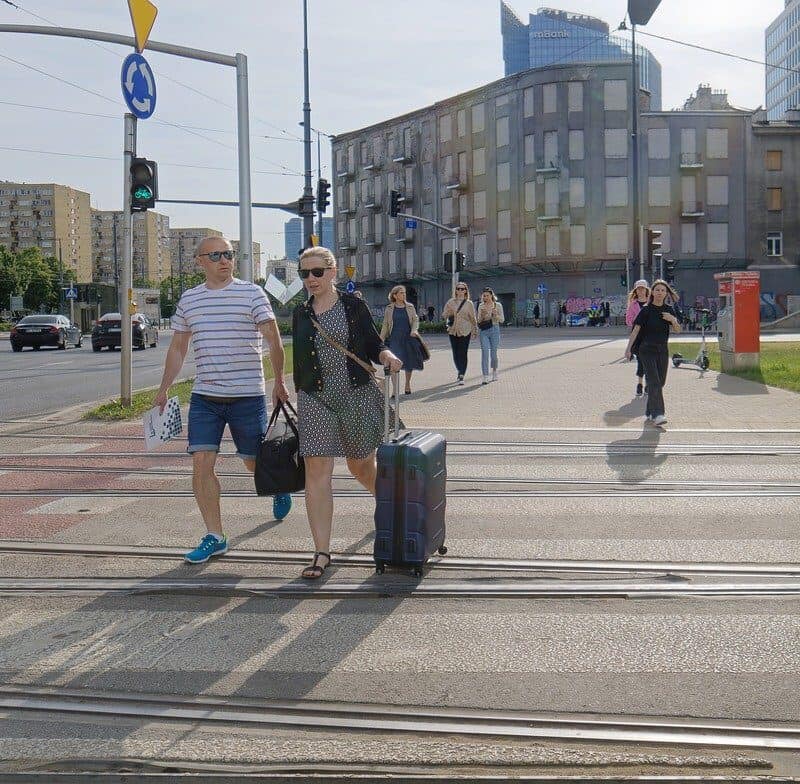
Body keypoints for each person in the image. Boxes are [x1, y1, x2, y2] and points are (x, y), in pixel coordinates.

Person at [155, 236, 292, 564]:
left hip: (247, 395)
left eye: (228, 254)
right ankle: (215, 536)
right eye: (215, 255)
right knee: (201, 461)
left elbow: (274, 340)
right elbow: (178, 348)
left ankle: (277, 487)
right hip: (205, 398)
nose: (224, 260)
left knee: (251, 460)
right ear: (200, 261)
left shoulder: (251, 293)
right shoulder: (190, 300)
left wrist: (279, 382)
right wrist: (163, 388)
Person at [292, 247, 402, 579]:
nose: (310, 279)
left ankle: (391, 506)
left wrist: (386, 356)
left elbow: (372, 342)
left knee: (360, 466)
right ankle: (321, 552)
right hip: (315, 398)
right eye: (304, 274)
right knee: (316, 469)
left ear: (332, 271)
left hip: (355, 393)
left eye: (316, 272)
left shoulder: (353, 305)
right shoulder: (301, 313)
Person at [625, 279, 682, 428]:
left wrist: (673, 320)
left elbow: (678, 330)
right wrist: (628, 348)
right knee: (655, 382)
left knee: (660, 382)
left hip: (662, 350)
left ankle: (650, 410)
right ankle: (658, 414)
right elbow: (636, 330)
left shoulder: (669, 310)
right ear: (653, 292)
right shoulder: (646, 310)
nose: (660, 293)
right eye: (657, 290)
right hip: (646, 350)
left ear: (666, 293)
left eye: (663, 290)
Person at [380, 285, 423, 396]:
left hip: (408, 337)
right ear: (395, 295)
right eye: (401, 293)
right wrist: (381, 337)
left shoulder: (410, 307)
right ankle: (395, 389)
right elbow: (385, 324)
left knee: (408, 363)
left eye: (404, 293)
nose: (404, 295)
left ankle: (407, 384)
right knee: (394, 363)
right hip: (394, 339)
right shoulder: (389, 308)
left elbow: (415, 320)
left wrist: (414, 330)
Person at [442, 282, 477, 385]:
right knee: (455, 353)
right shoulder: (450, 302)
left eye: (463, 289)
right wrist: (449, 313)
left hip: (465, 330)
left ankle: (461, 374)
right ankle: (459, 369)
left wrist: (475, 329)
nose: (460, 291)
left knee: (463, 352)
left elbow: (472, 318)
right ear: (456, 290)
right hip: (453, 330)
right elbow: (444, 315)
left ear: (466, 291)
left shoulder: (469, 303)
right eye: (458, 289)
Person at [625, 280, 650, 398]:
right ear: (636, 291)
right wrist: (637, 321)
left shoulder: (651, 303)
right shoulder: (633, 304)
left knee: (649, 361)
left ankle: (648, 385)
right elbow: (628, 320)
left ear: (646, 290)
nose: (640, 291)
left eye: (642, 288)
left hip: (650, 336)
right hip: (638, 335)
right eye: (638, 289)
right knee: (641, 361)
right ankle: (640, 384)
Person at [477, 288, 504, 384]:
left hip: (495, 330)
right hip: (484, 331)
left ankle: (495, 371)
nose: (485, 297)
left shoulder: (498, 305)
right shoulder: (481, 306)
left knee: (493, 353)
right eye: (484, 295)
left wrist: (495, 315)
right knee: (484, 352)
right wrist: (482, 316)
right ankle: (485, 376)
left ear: (491, 295)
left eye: (487, 295)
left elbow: (502, 320)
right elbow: (478, 321)